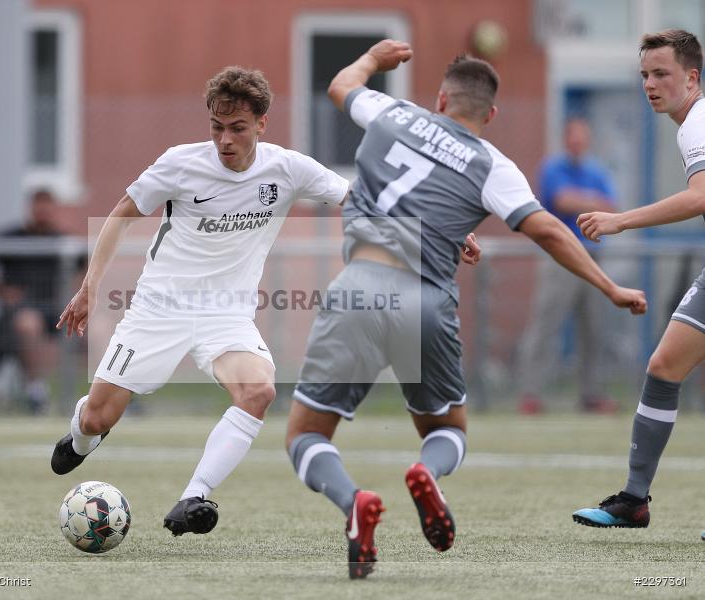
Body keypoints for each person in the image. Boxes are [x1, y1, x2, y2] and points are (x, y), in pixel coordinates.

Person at [283, 40, 648, 579]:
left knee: (306, 435)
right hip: (426, 302)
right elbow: (547, 228)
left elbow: (341, 86)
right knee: (446, 431)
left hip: (358, 288)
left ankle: (353, 502)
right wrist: (608, 286)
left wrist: (375, 61)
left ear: (439, 99)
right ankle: (428, 473)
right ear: (491, 114)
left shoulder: (392, 112)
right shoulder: (492, 164)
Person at [51, 66, 350, 537]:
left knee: (259, 391)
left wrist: (442, 235)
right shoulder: (180, 163)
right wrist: (90, 287)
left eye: (237, 128)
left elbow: (363, 199)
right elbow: (121, 215)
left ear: (262, 124)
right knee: (98, 416)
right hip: (158, 309)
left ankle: (194, 496)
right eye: (216, 127)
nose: (225, 139)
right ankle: (82, 436)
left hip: (226, 315)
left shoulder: (289, 169)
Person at [573, 29, 705, 529]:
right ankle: (634, 500)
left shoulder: (698, 122)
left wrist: (618, 219)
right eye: (645, 75)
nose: (650, 84)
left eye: (661, 74)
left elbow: (700, 196)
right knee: (665, 366)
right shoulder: (691, 122)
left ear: (691, 78)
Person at [516, 118, 620, 414]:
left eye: (582, 137)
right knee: (546, 325)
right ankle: (531, 393)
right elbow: (560, 201)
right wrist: (592, 202)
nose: (577, 142)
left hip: (592, 256)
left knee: (594, 328)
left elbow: (611, 207)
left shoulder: (596, 170)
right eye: (572, 137)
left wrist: (583, 201)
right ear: (566, 139)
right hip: (560, 255)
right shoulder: (553, 168)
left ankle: (591, 394)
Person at [0, 189, 64, 413]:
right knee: (29, 324)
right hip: (18, 312)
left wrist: (78, 295)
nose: (43, 213)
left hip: (55, 308)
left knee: (101, 326)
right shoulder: (10, 237)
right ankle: (36, 390)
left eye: (47, 207)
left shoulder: (61, 239)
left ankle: (114, 389)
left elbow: (83, 267)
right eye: (39, 207)